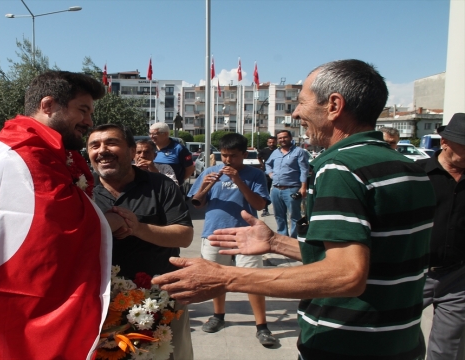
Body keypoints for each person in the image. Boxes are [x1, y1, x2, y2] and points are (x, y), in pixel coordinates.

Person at [153, 59, 436, 359]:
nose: (296, 112)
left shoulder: (340, 167)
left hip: (345, 343)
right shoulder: (410, 168)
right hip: (401, 341)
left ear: (334, 106)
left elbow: (346, 274)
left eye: (301, 102)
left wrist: (226, 277)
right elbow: (369, 255)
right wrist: (277, 243)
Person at [0, 71, 125, 359]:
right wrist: (112, 221)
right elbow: (55, 220)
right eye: (82, 110)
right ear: (48, 105)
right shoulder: (25, 149)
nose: (88, 122)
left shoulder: (36, 144)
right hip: (13, 301)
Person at [87, 124, 195, 359]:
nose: (102, 150)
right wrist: (105, 225)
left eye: (111, 143)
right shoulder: (82, 190)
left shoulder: (161, 185)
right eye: (94, 145)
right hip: (100, 306)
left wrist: (136, 228)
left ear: (132, 150)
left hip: (160, 299)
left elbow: (184, 235)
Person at [188, 133, 275, 347]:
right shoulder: (210, 171)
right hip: (215, 232)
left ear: (244, 154)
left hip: (246, 234)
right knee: (217, 279)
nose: (227, 161)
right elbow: (197, 203)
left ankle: (262, 326)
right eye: (224, 156)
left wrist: (238, 180)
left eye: (233, 156)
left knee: (252, 280)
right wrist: (203, 187)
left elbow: (260, 204)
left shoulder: (255, 175)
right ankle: (218, 315)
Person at [416, 113, 465, 360]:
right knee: (396, 338)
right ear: (444, 141)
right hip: (414, 274)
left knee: (447, 349)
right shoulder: (415, 175)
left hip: (457, 277)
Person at [264, 130, 309, 238]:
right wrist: (270, 174)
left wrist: (303, 187)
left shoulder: (299, 152)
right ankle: (282, 237)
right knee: (279, 216)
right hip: (276, 190)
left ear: (290, 138)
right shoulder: (275, 152)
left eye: (285, 137)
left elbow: (304, 170)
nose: (282, 140)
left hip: (292, 189)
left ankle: (294, 239)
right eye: (280, 138)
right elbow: (267, 164)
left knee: (294, 216)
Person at [257, 136, 277, 216]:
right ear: (267, 143)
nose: (271, 144)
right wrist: (262, 165)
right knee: (266, 191)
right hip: (267, 174)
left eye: (273, 142)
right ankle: (265, 209)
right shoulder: (264, 151)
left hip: (277, 174)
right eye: (270, 142)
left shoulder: (279, 151)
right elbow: (259, 157)